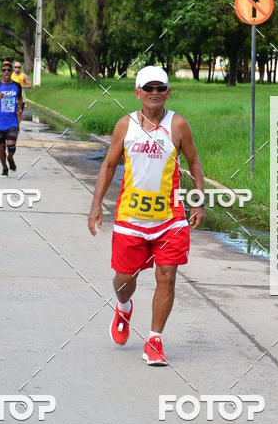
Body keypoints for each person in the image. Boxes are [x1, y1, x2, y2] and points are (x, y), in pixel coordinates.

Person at [87, 66, 205, 366]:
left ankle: (154, 340)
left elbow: (193, 161)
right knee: (125, 279)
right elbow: (109, 165)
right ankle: (124, 306)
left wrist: (198, 201)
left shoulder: (178, 125)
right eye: (148, 88)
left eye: (160, 88)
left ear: (168, 92)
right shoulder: (125, 126)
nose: (155, 93)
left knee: (167, 275)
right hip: (131, 218)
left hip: (170, 219)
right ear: (137, 93)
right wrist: (96, 204)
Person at [0, 61, 23, 176]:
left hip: (12, 122)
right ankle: (4, 168)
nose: (6, 72)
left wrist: (20, 108)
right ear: (1, 72)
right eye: (4, 70)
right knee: (1, 148)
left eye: (8, 70)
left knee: (11, 147)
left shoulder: (17, 86)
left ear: (12, 71)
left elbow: (20, 99)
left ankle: (10, 158)